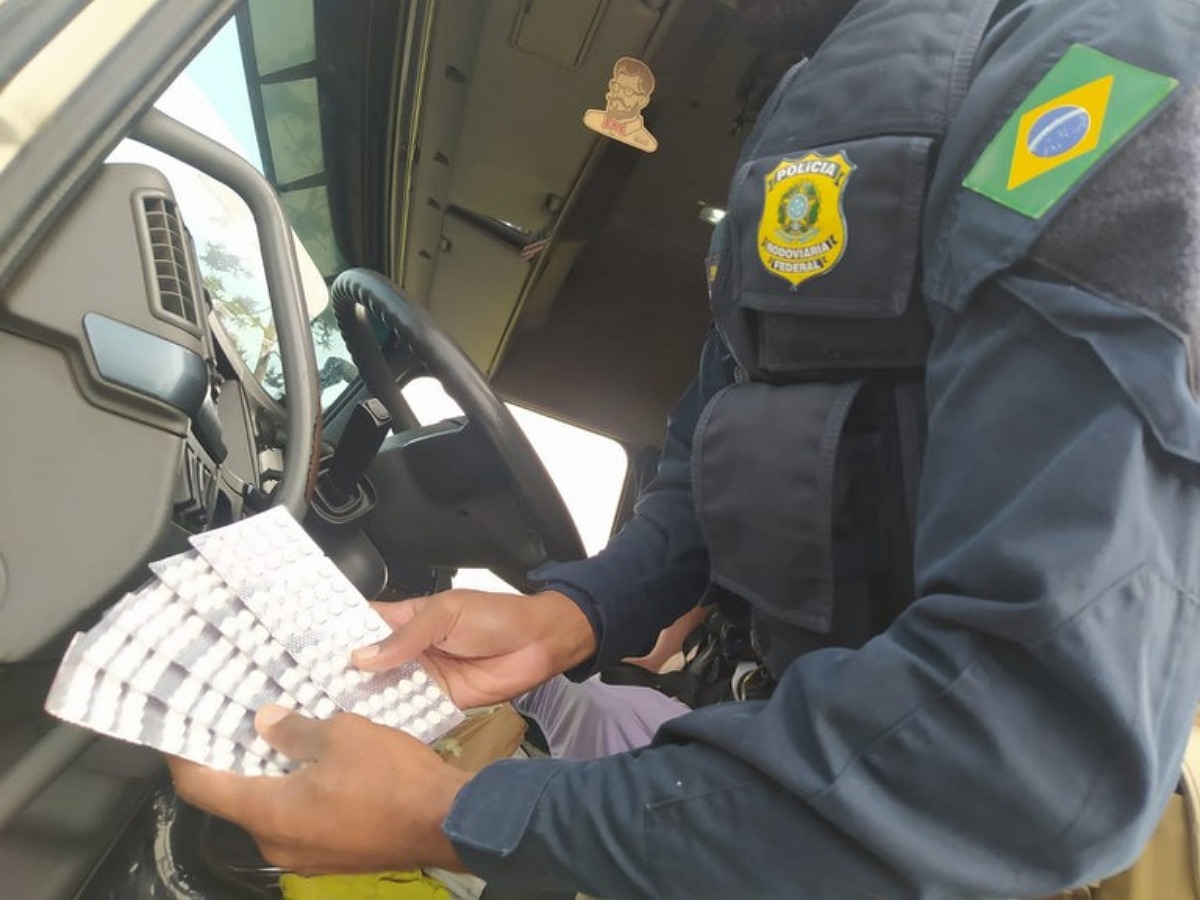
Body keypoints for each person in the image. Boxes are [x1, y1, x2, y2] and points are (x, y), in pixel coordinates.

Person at [169, 0, 1200, 897]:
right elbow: (717, 456)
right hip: (780, 757)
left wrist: (452, 814)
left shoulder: (1102, 66)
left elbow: (1027, 753)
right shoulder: (816, 103)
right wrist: (573, 614)